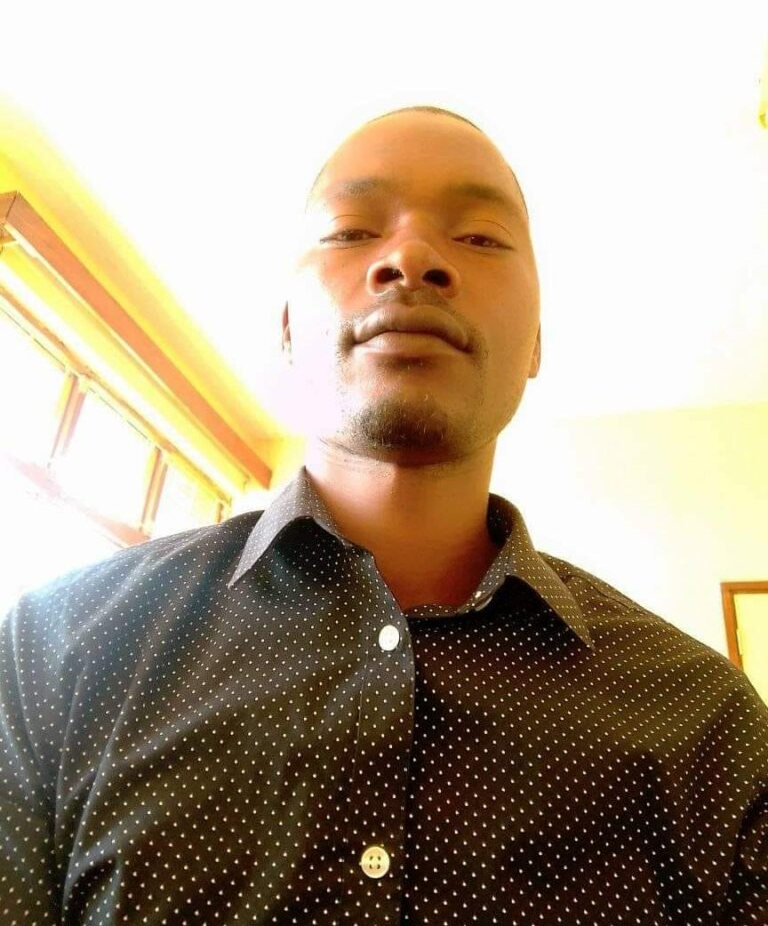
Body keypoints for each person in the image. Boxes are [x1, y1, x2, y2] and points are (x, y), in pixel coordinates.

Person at [0, 105, 766, 925]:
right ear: (287, 328)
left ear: (537, 342)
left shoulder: (713, 727)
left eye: (480, 238)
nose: (412, 258)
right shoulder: (56, 651)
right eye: (351, 231)